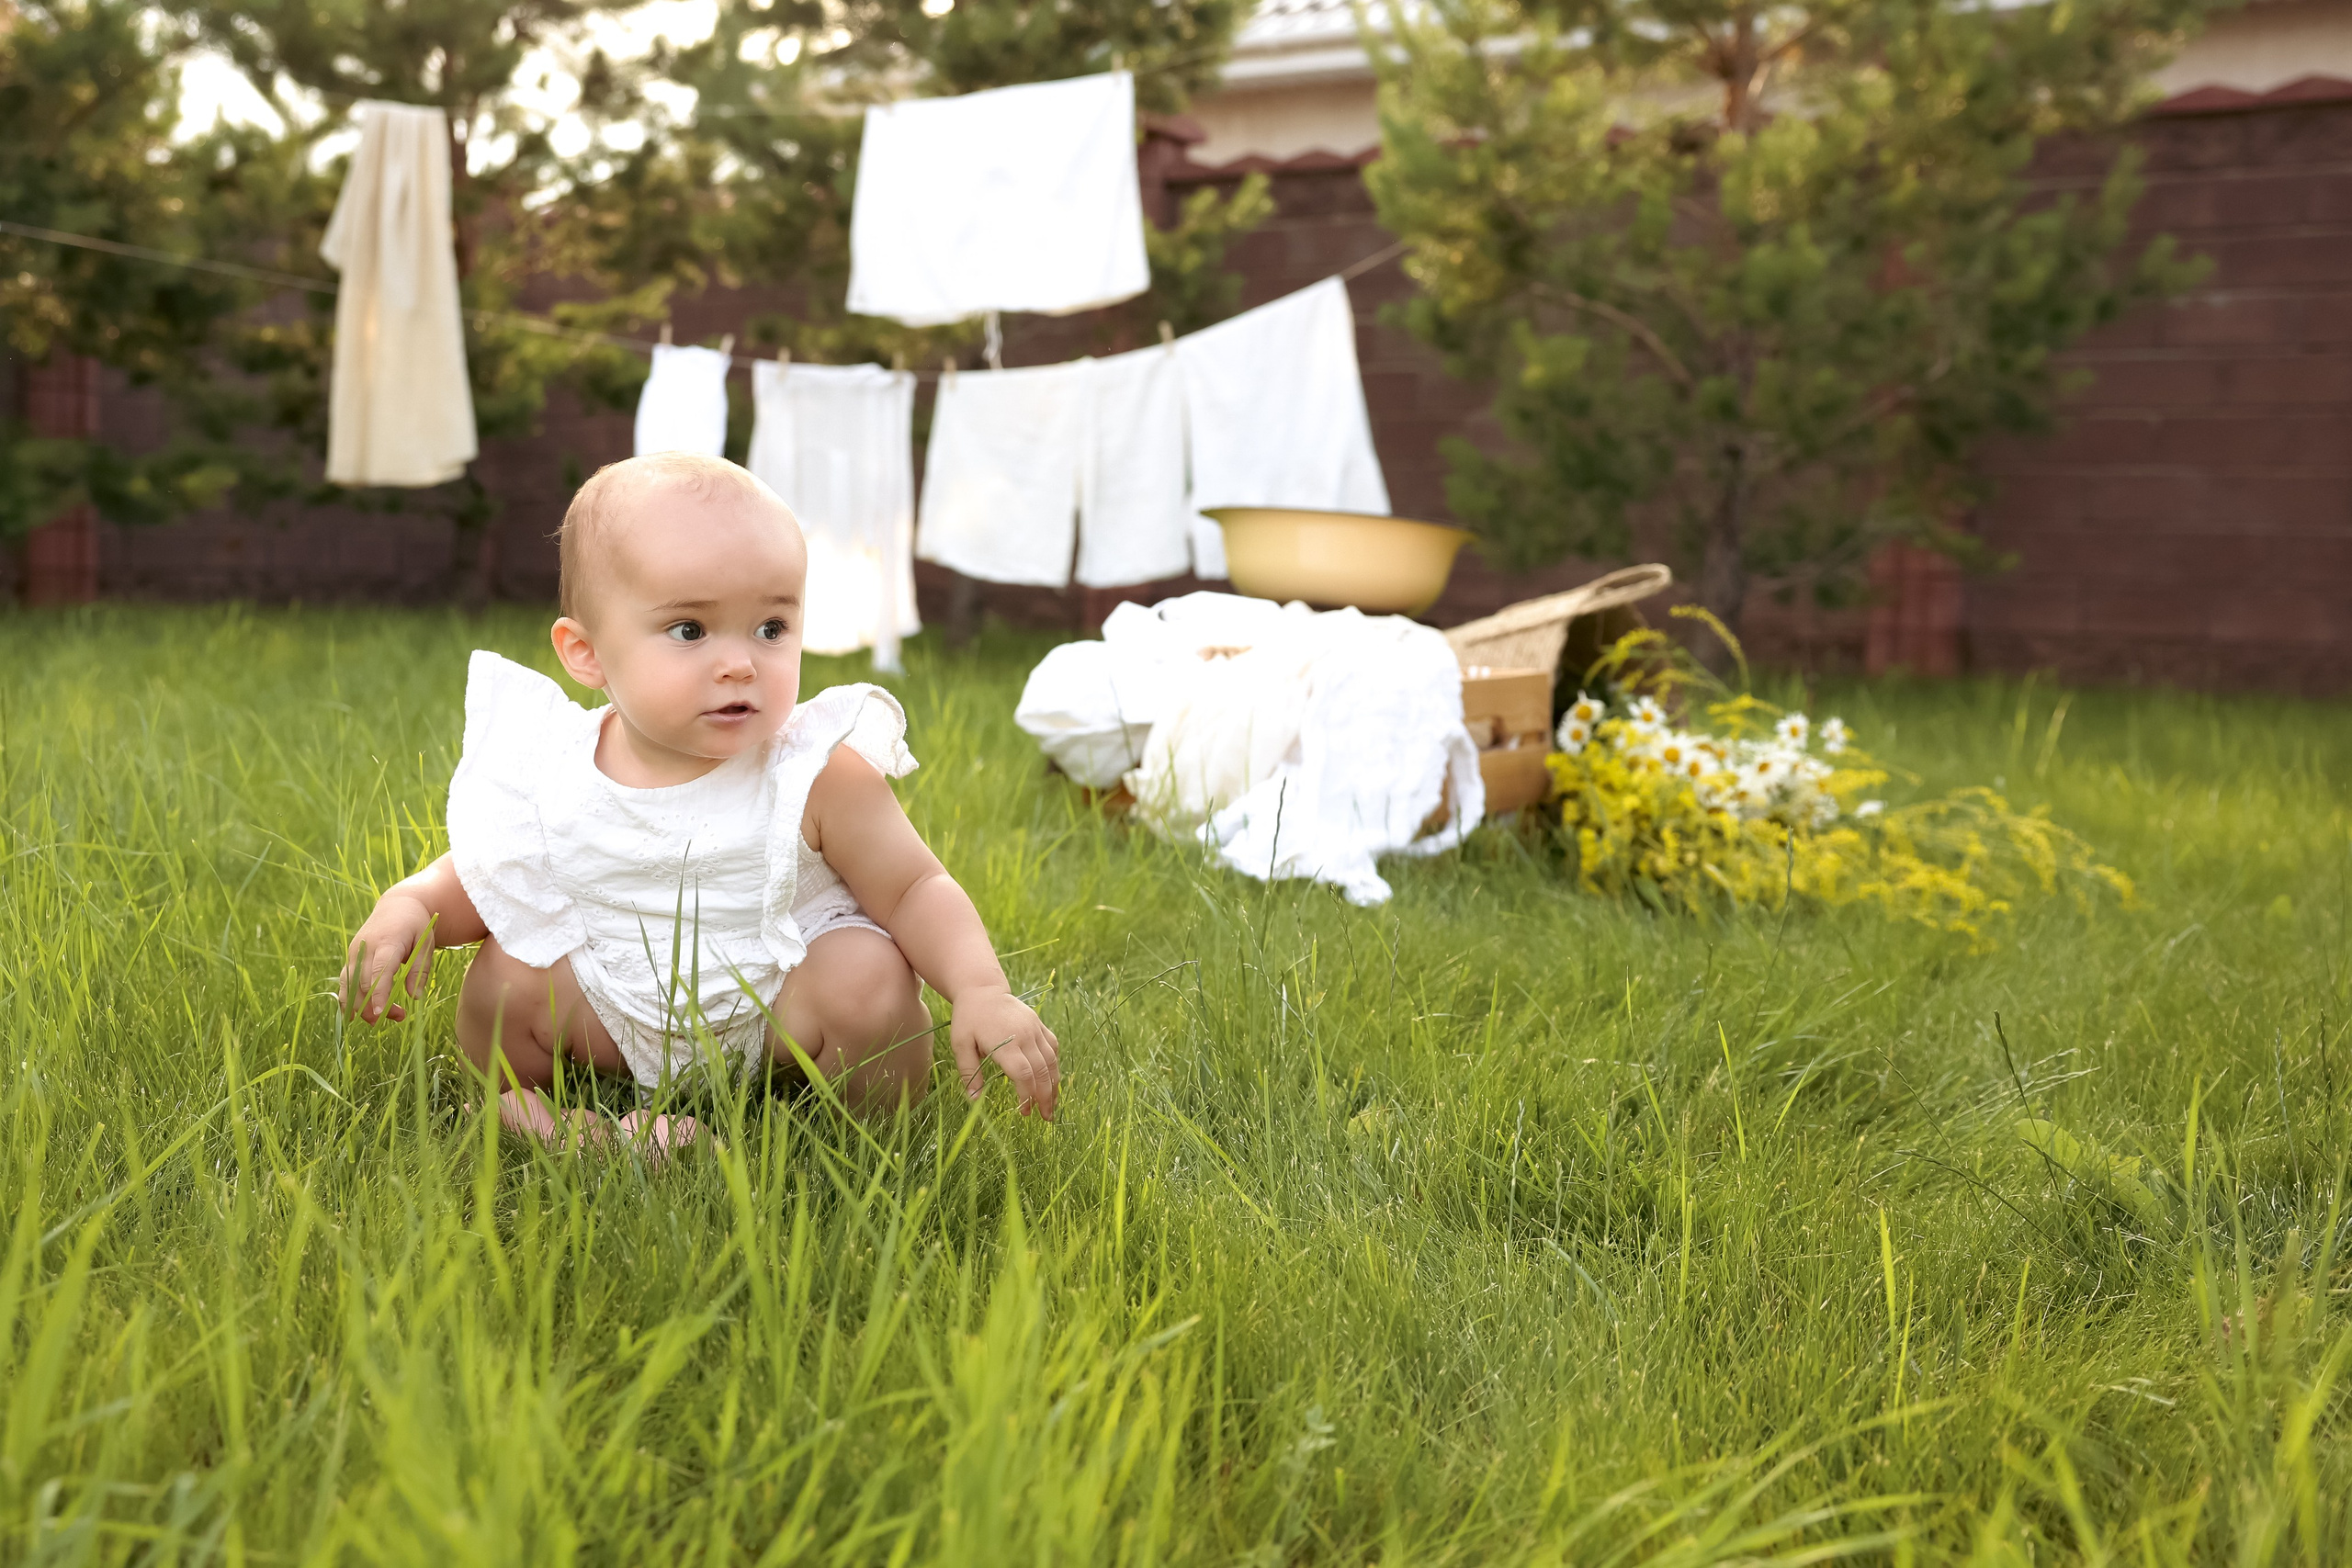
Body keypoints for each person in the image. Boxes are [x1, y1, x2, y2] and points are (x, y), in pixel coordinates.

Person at [337, 452, 1059, 1154]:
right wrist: (412, 903)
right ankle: (544, 1117)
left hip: (777, 1015)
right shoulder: (558, 768)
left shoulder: (812, 773)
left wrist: (979, 987)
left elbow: (913, 887)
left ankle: (855, 1140)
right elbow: (491, 872)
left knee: (868, 978)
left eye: (771, 628)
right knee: (506, 973)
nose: (740, 663)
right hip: (613, 1007)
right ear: (586, 653)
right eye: (690, 630)